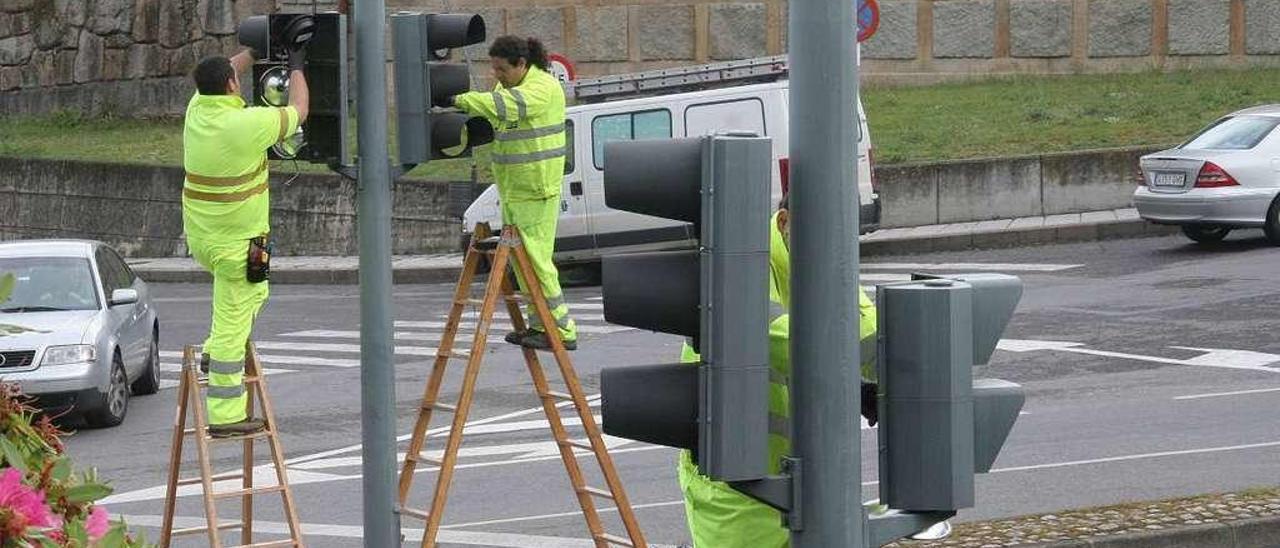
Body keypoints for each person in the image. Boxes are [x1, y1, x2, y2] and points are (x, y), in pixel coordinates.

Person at [676, 193, 879, 547]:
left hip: (802, 482)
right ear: (784, 223)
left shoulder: (827, 267)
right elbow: (777, 338)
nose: (833, 247)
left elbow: (866, 336)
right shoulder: (745, 262)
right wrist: (853, 382)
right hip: (736, 489)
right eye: (823, 233)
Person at [183, 37, 309, 437]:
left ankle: (209, 351)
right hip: (242, 246)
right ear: (233, 86)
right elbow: (299, 111)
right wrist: (298, 66)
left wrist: (253, 51)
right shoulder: (248, 124)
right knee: (232, 328)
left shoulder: (197, 110)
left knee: (257, 294)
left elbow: (225, 70)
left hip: (207, 240)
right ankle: (226, 415)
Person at [448, 36, 577, 351]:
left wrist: (460, 100)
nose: (496, 75)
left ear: (522, 64)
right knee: (524, 264)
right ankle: (540, 326)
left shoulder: (543, 88)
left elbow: (505, 107)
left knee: (536, 262)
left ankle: (562, 330)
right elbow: (493, 116)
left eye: (501, 69)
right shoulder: (506, 88)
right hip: (516, 190)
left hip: (535, 189)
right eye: (493, 69)